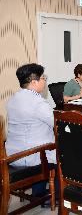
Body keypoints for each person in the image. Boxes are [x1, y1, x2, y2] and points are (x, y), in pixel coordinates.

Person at [5, 63, 56, 198]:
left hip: (12, 154)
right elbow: (57, 124)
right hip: (30, 156)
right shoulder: (37, 103)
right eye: (43, 78)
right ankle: (57, 195)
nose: (44, 81)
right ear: (34, 82)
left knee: (42, 144)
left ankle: (38, 192)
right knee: (63, 151)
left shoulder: (13, 99)